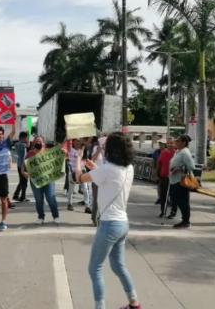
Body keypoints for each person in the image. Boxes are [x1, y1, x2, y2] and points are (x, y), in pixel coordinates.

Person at [73, 132, 140, 309]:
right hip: (122, 224)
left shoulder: (107, 170)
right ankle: (134, 302)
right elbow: (110, 180)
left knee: (95, 268)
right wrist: (95, 168)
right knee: (118, 266)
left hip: (109, 225)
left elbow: (79, 178)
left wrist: (79, 159)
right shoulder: (129, 168)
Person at [21, 135, 60, 224]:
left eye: (40, 141)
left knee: (50, 198)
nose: (38, 143)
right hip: (35, 181)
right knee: (39, 199)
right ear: (34, 143)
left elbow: (57, 162)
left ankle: (56, 216)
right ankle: (41, 217)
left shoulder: (49, 152)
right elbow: (23, 166)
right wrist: (24, 173)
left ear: (43, 143)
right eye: (36, 141)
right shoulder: (30, 154)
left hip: (49, 180)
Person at [168, 134, 195, 230]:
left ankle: (186, 221)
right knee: (176, 199)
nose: (175, 142)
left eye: (178, 141)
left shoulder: (185, 152)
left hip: (182, 180)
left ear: (183, 143)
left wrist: (180, 168)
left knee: (183, 201)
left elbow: (191, 166)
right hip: (174, 180)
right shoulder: (178, 152)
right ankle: (184, 219)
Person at [67, 139, 91, 213]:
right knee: (71, 190)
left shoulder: (83, 150)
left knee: (85, 189)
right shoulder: (71, 150)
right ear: (73, 142)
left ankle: (87, 206)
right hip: (73, 172)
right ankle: (69, 203)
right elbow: (68, 141)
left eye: (80, 141)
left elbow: (88, 141)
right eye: (76, 141)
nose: (78, 142)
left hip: (82, 173)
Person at [156, 137, 176, 218]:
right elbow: (159, 164)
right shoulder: (163, 153)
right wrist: (157, 175)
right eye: (168, 143)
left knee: (174, 196)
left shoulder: (176, 153)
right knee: (163, 196)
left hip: (174, 177)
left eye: (171, 143)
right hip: (164, 177)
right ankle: (163, 211)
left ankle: (173, 212)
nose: (170, 145)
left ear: (174, 144)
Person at [90, 134, 107, 226]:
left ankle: (102, 218)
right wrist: (99, 149)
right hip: (97, 177)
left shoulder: (109, 151)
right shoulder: (96, 148)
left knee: (104, 199)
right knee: (96, 199)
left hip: (106, 179)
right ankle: (94, 218)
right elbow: (93, 158)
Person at [12, 132, 30, 202]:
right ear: (22, 138)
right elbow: (28, 145)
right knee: (24, 182)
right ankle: (22, 196)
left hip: (20, 165)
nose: (26, 139)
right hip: (22, 165)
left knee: (22, 181)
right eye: (25, 138)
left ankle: (17, 195)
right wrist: (28, 135)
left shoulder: (17, 144)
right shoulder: (21, 144)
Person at [151, 140, 166, 205]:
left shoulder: (167, 151)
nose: (160, 145)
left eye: (161, 143)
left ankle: (167, 199)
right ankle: (160, 198)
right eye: (159, 143)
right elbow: (154, 161)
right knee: (159, 185)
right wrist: (154, 170)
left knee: (166, 186)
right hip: (158, 170)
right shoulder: (156, 152)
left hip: (165, 171)